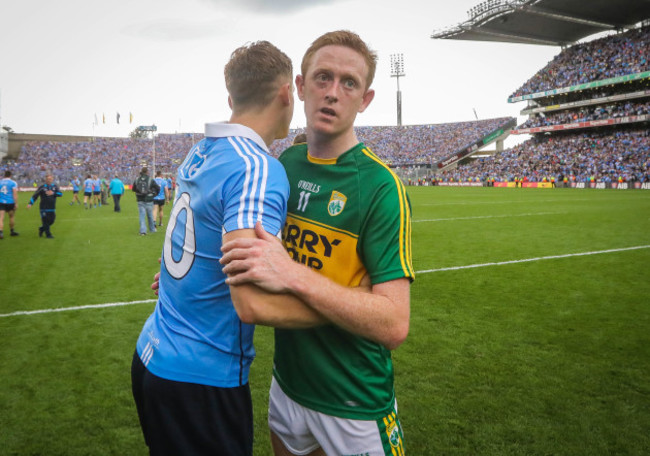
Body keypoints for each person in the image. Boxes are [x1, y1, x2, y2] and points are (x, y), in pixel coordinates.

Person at [220, 30, 414, 456]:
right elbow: (244, 249)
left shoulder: (382, 187)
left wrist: (293, 274)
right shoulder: (281, 166)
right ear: (301, 87)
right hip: (287, 385)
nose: (333, 93)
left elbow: (394, 324)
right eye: (323, 78)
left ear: (365, 100)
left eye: (349, 83)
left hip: (354, 399)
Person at [132, 40, 304, 456]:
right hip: (200, 377)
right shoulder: (256, 165)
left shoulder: (200, 151)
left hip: (152, 352)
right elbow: (250, 304)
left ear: (231, 97)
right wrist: (344, 313)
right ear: (287, 93)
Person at [27, 173, 62, 238]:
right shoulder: (42, 187)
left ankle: (42, 229)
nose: (49, 180)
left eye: (50, 179)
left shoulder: (55, 187)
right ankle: (48, 235)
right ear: (45, 180)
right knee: (45, 221)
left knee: (51, 221)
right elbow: (35, 196)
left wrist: (53, 193)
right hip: (43, 208)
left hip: (52, 208)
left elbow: (60, 194)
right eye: (48, 179)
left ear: (52, 179)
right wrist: (30, 203)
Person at [132, 167, 160, 236]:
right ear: (147, 172)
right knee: (150, 215)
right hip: (149, 200)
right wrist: (154, 194)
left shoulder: (137, 180)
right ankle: (152, 229)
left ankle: (143, 231)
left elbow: (133, 189)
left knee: (142, 215)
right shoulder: (150, 180)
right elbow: (157, 188)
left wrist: (139, 193)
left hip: (140, 200)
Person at [0, 170, 20, 239]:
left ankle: (1, 232)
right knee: (11, 217)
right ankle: (12, 231)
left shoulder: (0, 182)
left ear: (4, 175)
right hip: (10, 202)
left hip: (1, 202)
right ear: (10, 175)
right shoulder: (13, 183)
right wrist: (16, 203)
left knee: (1, 218)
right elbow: (15, 194)